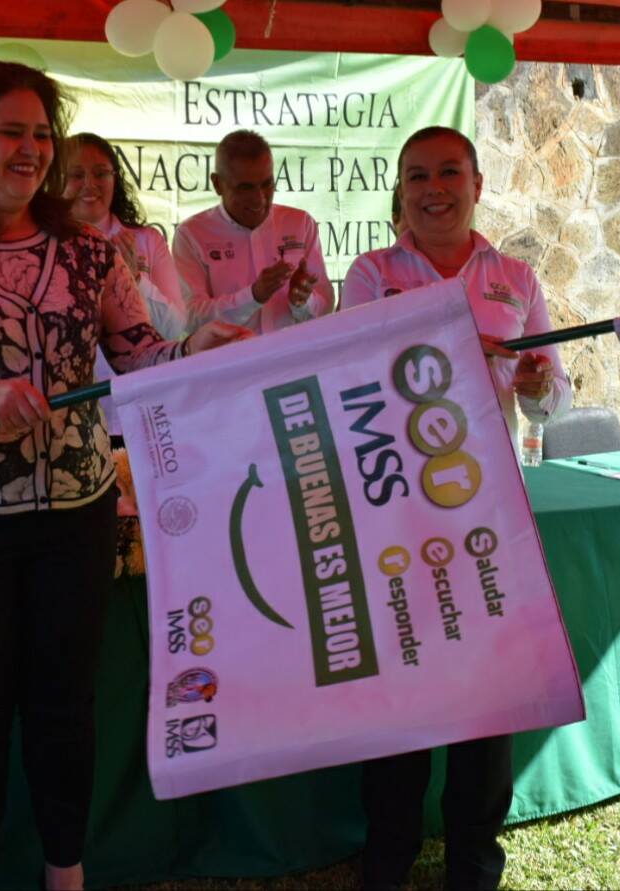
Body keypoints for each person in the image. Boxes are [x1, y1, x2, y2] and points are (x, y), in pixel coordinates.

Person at [0, 61, 245, 891]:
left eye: (42, 134)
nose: (32, 149)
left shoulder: (89, 252)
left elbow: (138, 357)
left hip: (76, 515)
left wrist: (192, 349)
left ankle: (65, 875)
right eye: (10, 131)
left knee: (66, 709)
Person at [340, 125, 573, 891]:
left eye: (448, 173)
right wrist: (452, 347)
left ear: (476, 184)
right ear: (400, 191)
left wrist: (538, 386)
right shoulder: (372, 273)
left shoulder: (516, 277)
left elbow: (554, 397)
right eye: (417, 176)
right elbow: (355, 372)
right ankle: (388, 855)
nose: (433, 189)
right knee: (402, 689)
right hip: (396, 510)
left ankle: (473, 859)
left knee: (489, 697)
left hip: (490, 521)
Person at [62, 132, 187, 440]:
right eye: (76, 175)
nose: (90, 184)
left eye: (100, 173)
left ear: (115, 178)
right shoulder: (47, 247)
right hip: (72, 418)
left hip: (140, 411)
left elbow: (174, 329)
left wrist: (134, 281)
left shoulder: (147, 240)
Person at [172, 129, 333, 335]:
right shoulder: (191, 235)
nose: (259, 198)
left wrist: (302, 300)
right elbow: (191, 318)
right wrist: (253, 296)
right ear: (217, 184)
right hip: (233, 356)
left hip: (294, 353)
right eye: (245, 188)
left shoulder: (300, 224)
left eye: (267, 184)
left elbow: (326, 306)